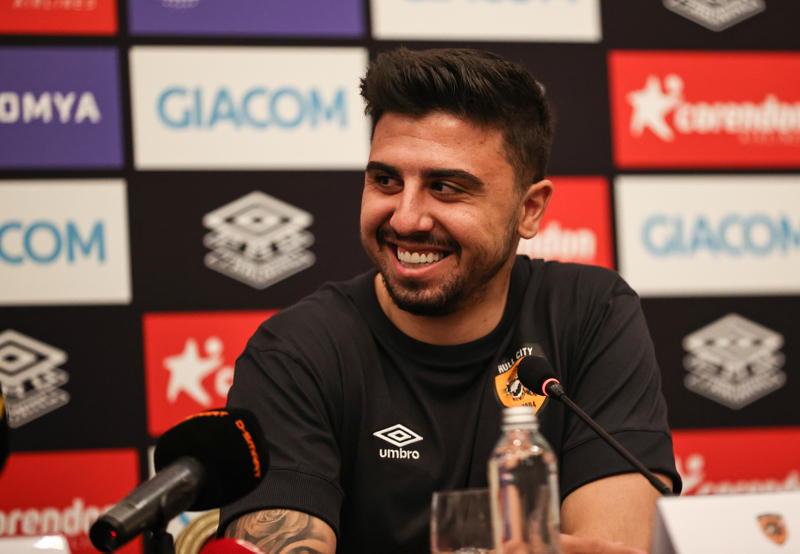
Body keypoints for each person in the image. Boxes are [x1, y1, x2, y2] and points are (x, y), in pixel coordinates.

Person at [220, 47, 681, 554]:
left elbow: (611, 544)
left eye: (445, 187)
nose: (405, 219)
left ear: (529, 210)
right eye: (385, 181)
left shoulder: (590, 312)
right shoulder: (293, 352)